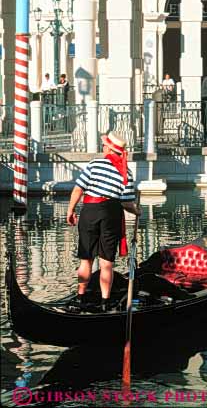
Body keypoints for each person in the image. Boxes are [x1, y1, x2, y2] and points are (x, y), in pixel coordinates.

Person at [66, 131, 141, 312]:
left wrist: (70, 210)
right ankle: (105, 302)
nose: (103, 147)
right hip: (112, 214)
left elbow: (78, 189)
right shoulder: (126, 172)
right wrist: (137, 211)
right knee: (106, 262)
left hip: (90, 211)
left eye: (105, 145)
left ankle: (81, 298)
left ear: (108, 148)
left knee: (86, 259)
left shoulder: (95, 164)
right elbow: (126, 203)